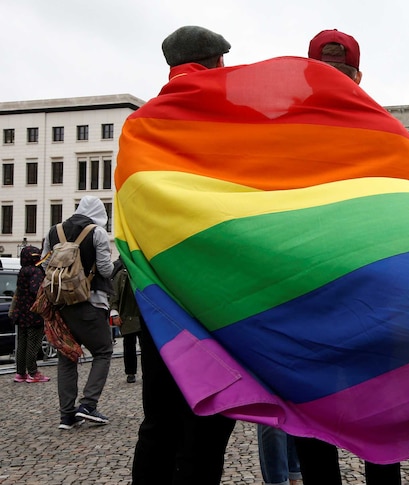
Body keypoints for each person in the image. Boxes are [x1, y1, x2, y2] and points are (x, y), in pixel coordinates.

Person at [292, 29, 402, 485]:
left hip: (304, 297)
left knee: (313, 416)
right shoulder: (386, 132)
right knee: (381, 417)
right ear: (359, 76)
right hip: (371, 297)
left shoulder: (279, 131)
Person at [130, 25, 238, 484]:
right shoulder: (228, 119)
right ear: (214, 64)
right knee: (209, 418)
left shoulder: (143, 123)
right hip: (213, 294)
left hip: (157, 293)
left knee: (159, 419)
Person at [41, 196, 114, 429]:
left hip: (61, 306)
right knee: (103, 351)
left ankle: (66, 416)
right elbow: (105, 268)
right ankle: (89, 405)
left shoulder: (54, 231)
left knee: (67, 357)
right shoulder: (97, 233)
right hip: (91, 302)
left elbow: (45, 264)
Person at [10, 245, 49, 383]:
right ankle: (33, 372)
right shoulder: (36, 272)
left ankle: (20, 373)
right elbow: (36, 290)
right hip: (33, 313)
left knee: (22, 344)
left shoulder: (23, 270)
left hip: (21, 312)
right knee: (33, 343)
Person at [111, 258, 141, 383]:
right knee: (129, 344)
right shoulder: (121, 274)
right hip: (127, 315)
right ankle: (130, 372)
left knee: (146, 346)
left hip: (142, 315)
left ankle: (145, 372)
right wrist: (114, 313)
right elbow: (115, 294)